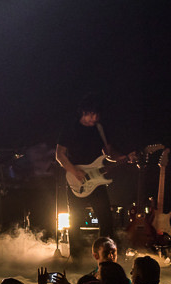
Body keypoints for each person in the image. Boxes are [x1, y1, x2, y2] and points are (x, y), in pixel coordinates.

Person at [55, 94, 132, 263]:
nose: (94, 118)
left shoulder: (100, 129)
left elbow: (109, 154)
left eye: (96, 114)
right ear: (83, 112)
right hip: (76, 179)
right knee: (75, 220)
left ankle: (106, 257)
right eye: (91, 114)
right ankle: (76, 259)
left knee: (106, 219)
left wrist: (125, 157)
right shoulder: (70, 128)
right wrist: (75, 171)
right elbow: (59, 155)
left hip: (97, 180)